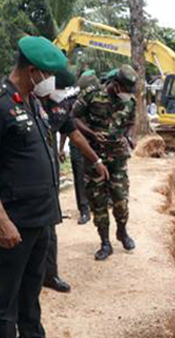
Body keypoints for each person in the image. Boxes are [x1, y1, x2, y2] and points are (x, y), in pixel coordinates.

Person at [0, 36, 67, 337]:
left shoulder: (30, 102)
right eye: (48, 75)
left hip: (40, 217)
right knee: (5, 300)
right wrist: (1, 219)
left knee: (31, 293)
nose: (50, 81)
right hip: (14, 219)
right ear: (32, 71)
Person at [39, 69, 109, 293]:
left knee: (50, 226)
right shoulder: (24, 103)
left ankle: (50, 274)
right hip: (23, 183)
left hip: (49, 173)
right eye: (59, 88)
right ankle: (30, 279)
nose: (60, 93)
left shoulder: (57, 106)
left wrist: (96, 159)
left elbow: (72, 132)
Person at [73, 64, 138, 261]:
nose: (127, 94)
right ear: (116, 85)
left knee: (120, 199)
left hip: (118, 158)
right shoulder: (91, 95)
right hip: (94, 158)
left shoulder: (130, 102)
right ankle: (105, 243)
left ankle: (122, 232)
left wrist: (128, 138)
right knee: (98, 200)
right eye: (125, 90)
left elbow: (131, 123)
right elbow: (74, 119)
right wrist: (92, 134)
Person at [65, 70, 99, 225]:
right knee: (79, 176)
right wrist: (60, 148)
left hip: (94, 143)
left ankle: (97, 203)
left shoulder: (100, 100)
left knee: (97, 173)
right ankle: (84, 210)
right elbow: (66, 125)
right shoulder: (72, 101)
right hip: (77, 143)